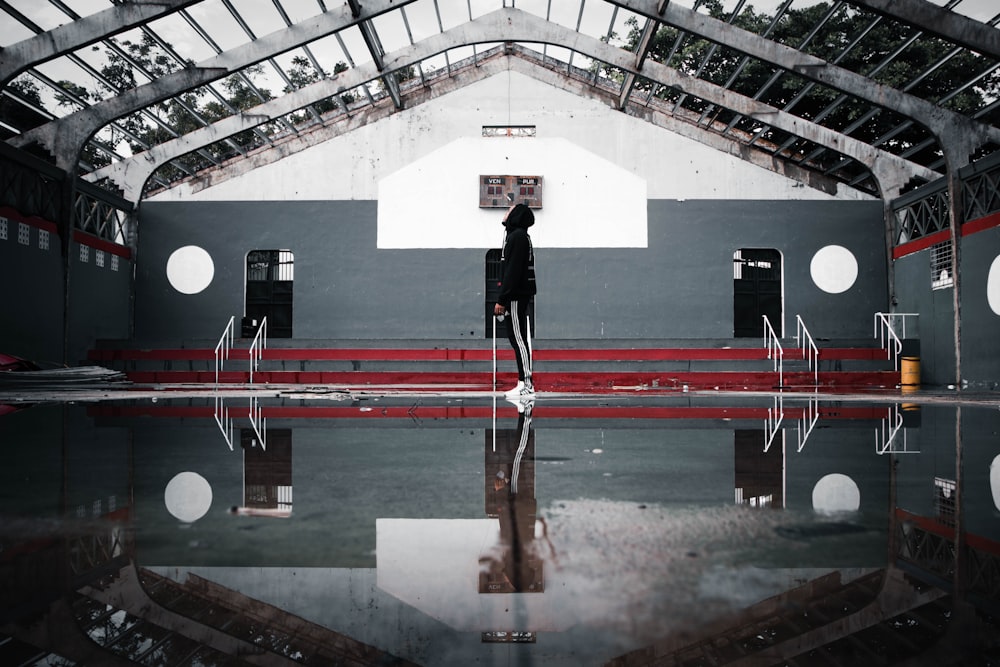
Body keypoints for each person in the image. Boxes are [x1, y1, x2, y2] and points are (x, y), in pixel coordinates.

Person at [494, 203, 536, 399]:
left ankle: (526, 384)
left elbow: (513, 272)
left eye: (509, 210)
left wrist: (502, 299)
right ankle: (523, 383)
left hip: (516, 296)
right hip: (514, 295)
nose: (505, 212)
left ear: (516, 215)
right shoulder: (514, 236)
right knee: (515, 337)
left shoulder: (517, 237)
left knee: (518, 338)